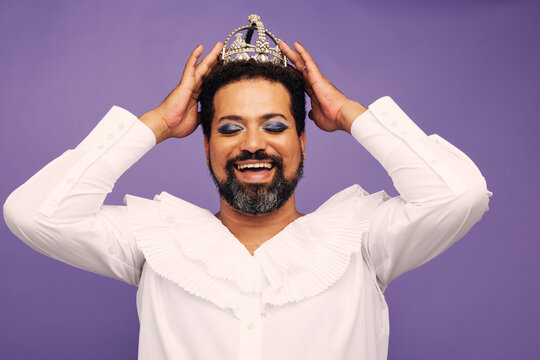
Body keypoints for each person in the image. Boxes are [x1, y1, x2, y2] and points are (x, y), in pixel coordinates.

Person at [3, 15, 491, 360]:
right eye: (231, 128)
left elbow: (459, 194)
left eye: (275, 126)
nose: (252, 144)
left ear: (303, 139)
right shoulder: (153, 240)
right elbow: (33, 213)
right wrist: (154, 122)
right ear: (205, 143)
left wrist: (347, 112)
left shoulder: (363, 240)